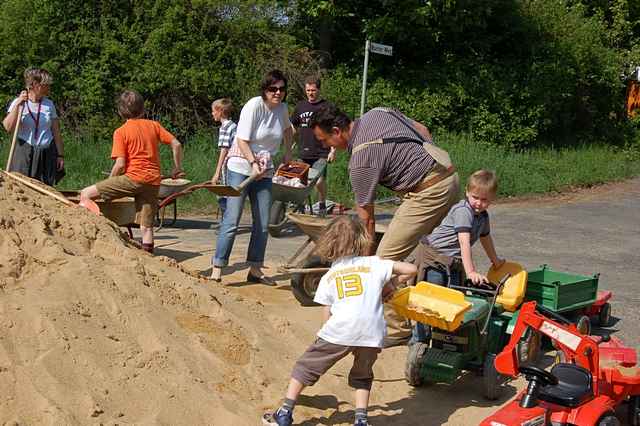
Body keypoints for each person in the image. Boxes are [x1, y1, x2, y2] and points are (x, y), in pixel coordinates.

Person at [309, 104, 460, 347]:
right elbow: (422, 129)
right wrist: (418, 164)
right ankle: (438, 307)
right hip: (449, 176)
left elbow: (367, 219)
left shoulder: (360, 160)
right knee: (431, 252)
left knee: (384, 261)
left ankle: (397, 330)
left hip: (428, 193)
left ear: (337, 131)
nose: (327, 146)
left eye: (325, 140)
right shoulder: (377, 113)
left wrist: (365, 263)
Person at [262, 215, 417, 426]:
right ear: (363, 240)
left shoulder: (330, 275)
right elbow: (411, 270)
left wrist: (324, 332)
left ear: (330, 243)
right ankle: (361, 420)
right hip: (372, 333)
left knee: (304, 367)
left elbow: (327, 312)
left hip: (341, 330)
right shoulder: (375, 263)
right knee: (363, 375)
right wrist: (389, 286)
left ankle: (284, 412)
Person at [210, 69, 293, 284]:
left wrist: (288, 153)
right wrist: (252, 163)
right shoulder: (254, 105)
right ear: (265, 90)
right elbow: (242, 141)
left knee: (263, 223)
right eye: (273, 89)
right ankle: (218, 267)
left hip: (264, 169)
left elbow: (288, 131)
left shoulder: (282, 109)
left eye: (281, 89)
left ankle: (255, 269)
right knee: (232, 219)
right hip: (240, 165)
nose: (277, 93)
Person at [80, 90, 183, 254]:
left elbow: (120, 164)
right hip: (152, 181)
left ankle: (93, 232)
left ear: (120, 111)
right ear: (142, 110)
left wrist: (110, 180)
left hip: (133, 178)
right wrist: (177, 168)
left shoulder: (121, 132)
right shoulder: (154, 126)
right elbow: (176, 144)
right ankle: (149, 257)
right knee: (146, 226)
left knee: (85, 194)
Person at [411, 169, 505, 344]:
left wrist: (495, 260)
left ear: (492, 199)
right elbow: (464, 242)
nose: (478, 203)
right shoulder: (464, 211)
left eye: (484, 200)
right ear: (467, 192)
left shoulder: (483, 216)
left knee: (454, 298)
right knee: (430, 301)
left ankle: (444, 339)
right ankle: (419, 341)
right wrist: (471, 272)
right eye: (475, 197)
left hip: (453, 261)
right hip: (434, 257)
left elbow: (485, 237)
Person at [2, 68, 64, 185]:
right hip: (24, 151)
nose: (49, 88)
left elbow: (56, 133)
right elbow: (8, 127)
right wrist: (18, 104)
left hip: (46, 153)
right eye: (46, 84)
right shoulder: (19, 102)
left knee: (44, 188)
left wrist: (60, 155)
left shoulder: (49, 104)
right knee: (20, 186)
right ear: (36, 85)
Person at [290, 76, 336, 215]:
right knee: (300, 181)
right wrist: (290, 142)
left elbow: (333, 129)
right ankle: (302, 206)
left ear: (319, 90)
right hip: (303, 151)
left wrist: (333, 150)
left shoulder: (326, 107)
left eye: (313, 90)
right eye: (308, 90)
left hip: (321, 151)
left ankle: (322, 202)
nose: (310, 93)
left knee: (318, 180)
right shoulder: (300, 106)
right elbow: (294, 126)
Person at [210, 98, 237, 217]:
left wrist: (217, 172)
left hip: (228, 165)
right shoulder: (233, 125)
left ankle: (226, 221)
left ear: (220, 111)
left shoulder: (225, 127)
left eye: (213, 111)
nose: (212, 114)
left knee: (223, 193)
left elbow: (224, 150)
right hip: (233, 163)